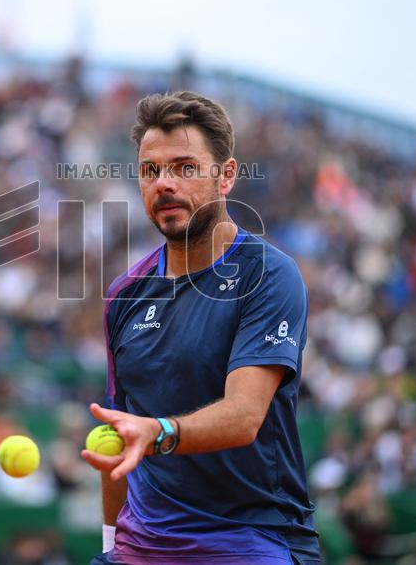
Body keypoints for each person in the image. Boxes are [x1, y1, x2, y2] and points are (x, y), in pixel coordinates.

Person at [81, 92, 320, 564]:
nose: (164, 183)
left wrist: (159, 431)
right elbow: (121, 436)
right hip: (140, 550)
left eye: (185, 167)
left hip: (250, 542)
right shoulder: (123, 297)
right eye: (151, 171)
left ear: (226, 176)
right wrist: (111, 549)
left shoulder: (268, 274)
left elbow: (244, 416)